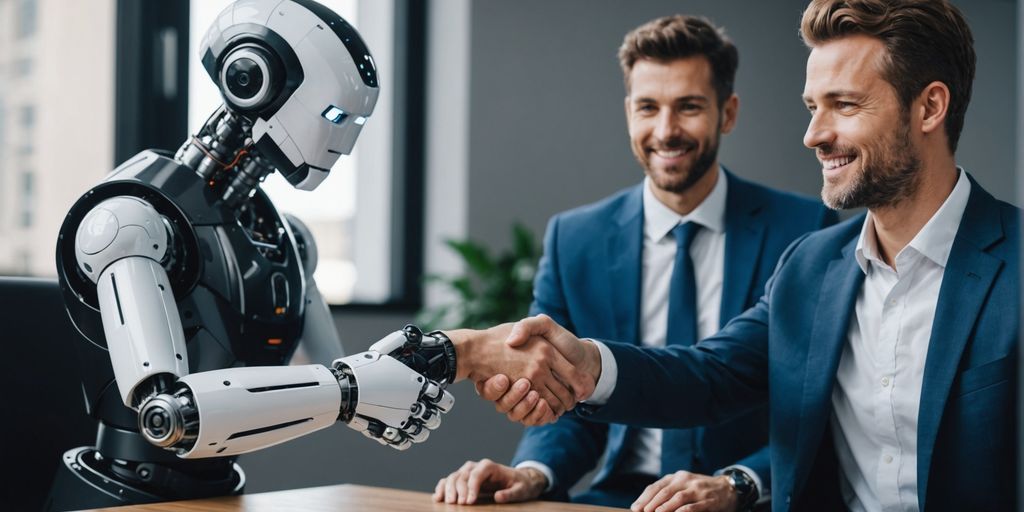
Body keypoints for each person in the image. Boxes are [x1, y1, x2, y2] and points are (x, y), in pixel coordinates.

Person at [469, 0, 1018, 510]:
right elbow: (709, 376)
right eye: (812, 107)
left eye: (845, 105)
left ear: (930, 107)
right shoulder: (810, 265)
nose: (813, 135)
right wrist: (588, 364)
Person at [433, 15, 836, 511]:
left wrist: (738, 483)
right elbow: (565, 396)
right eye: (648, 107)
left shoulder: (806, 231)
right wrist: (533, 473)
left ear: (727, 113)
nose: (666, 131)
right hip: (623, 496)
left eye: (688, 107)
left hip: (746, 497)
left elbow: (821, 406)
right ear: (629, 113)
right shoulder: (574, 239)